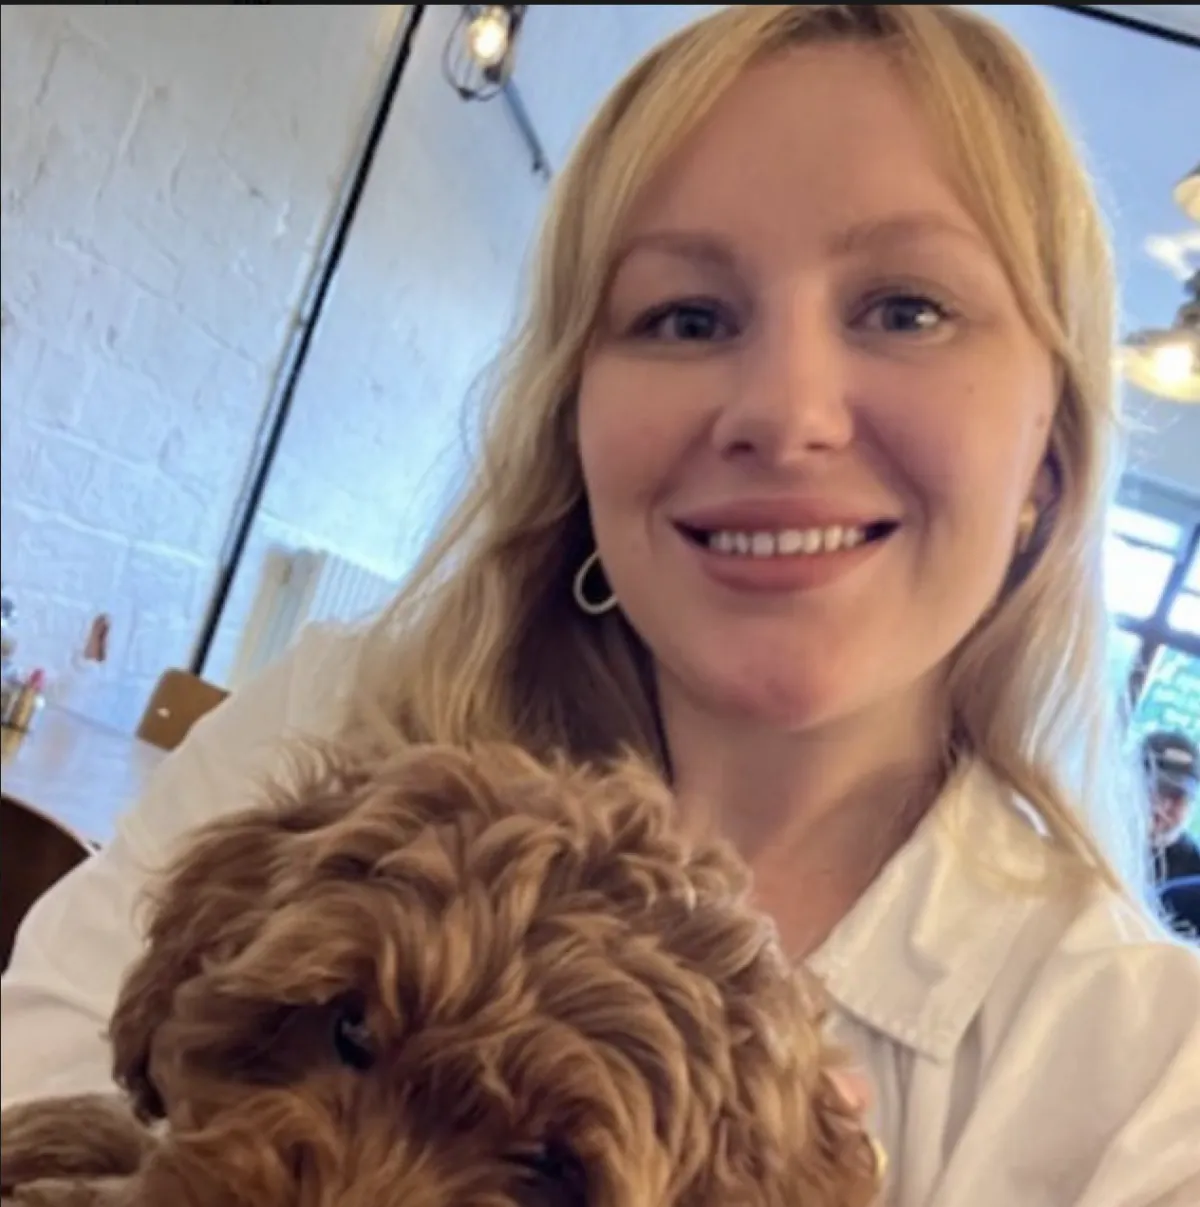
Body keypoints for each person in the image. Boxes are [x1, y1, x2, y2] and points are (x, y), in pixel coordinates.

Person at [3, 6, 1198, 1204]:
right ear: (577, 410)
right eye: (686, 316)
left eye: (906, 309)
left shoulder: (1153, 1087)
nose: (785, 414)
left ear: (1051, 450)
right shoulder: (332, 723)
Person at [1145, 729, 1200, 885]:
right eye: (1156, 790)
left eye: (1177, 796)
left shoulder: (1194, 875)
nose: (1162, 806)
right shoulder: (1097, 848)